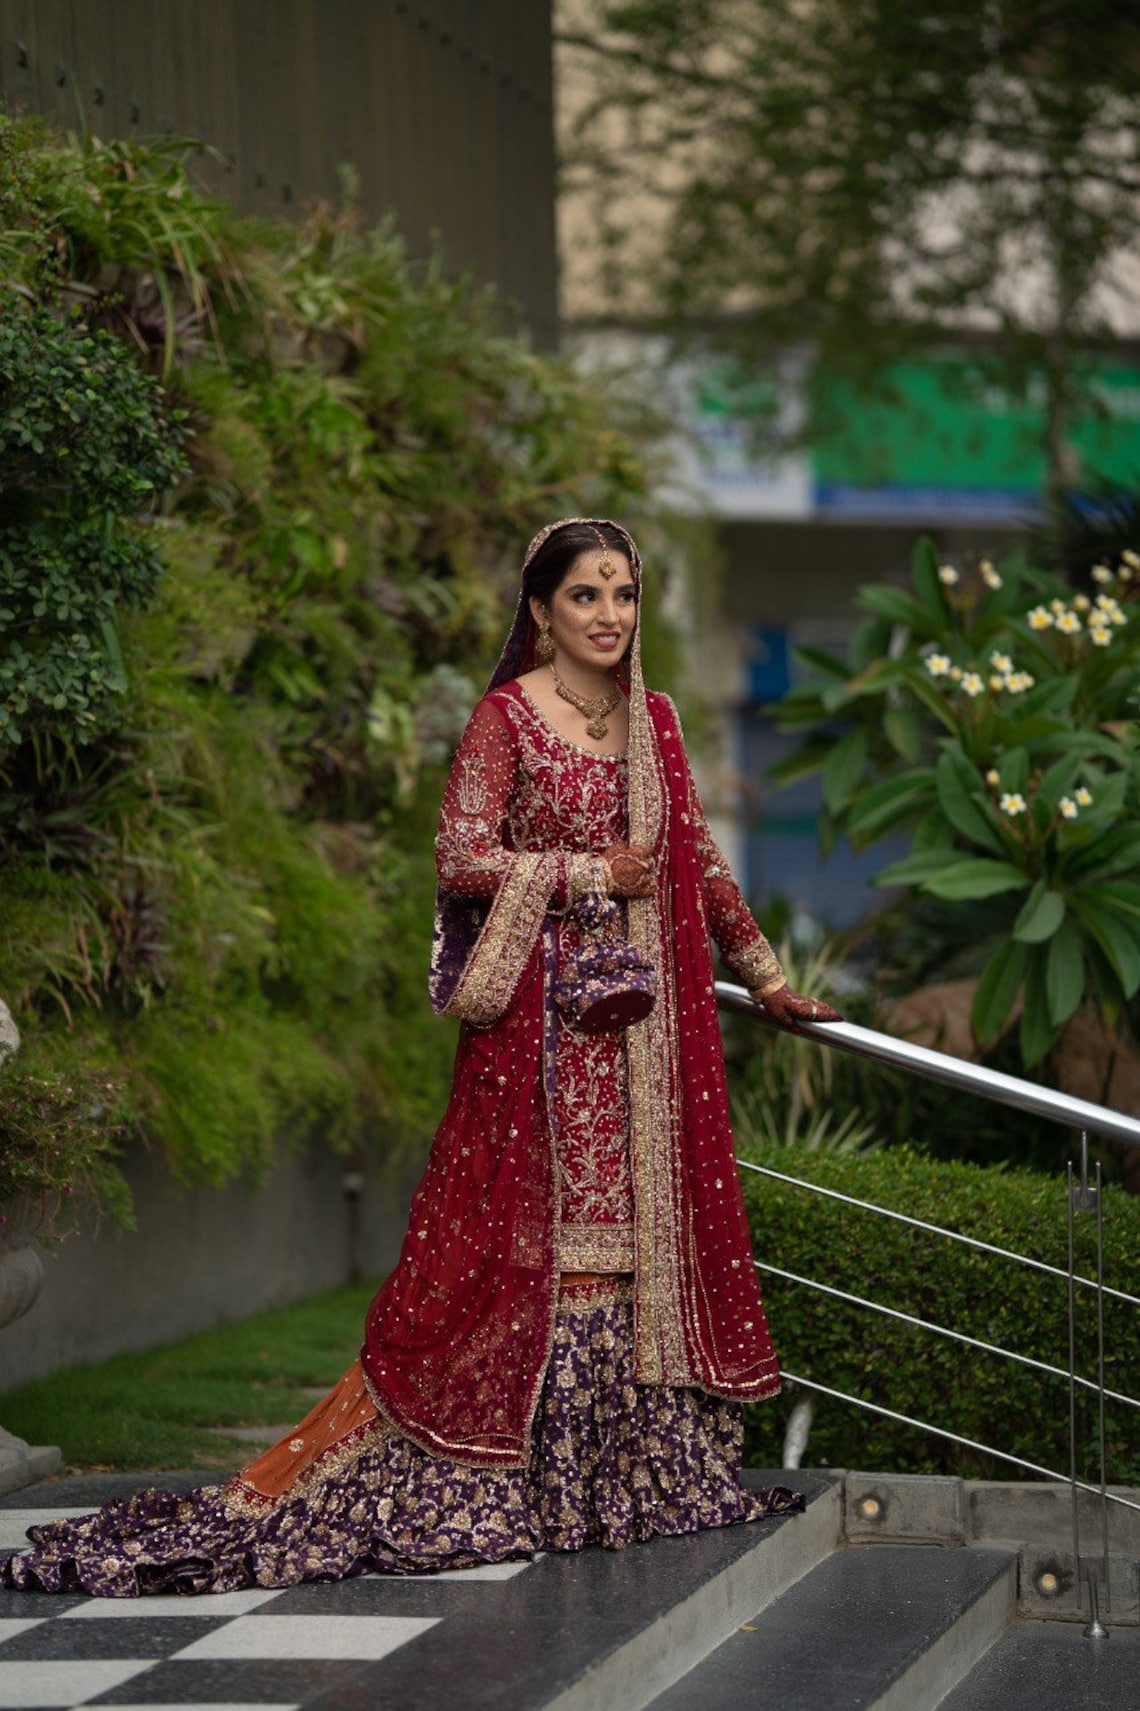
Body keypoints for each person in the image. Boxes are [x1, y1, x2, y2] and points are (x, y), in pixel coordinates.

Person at [2, 518, 840, 1597]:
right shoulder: (505, 718)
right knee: (513, 1244)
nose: (610, 616)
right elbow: (461, 853)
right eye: (586, 596)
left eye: (625, 595)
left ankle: (603, 1483)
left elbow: (697, 860)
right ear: (540, 610)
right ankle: (482, 1477)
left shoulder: (657, 722)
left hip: (636, 1047)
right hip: (536, 1032)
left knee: (626, 1254)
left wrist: (765, 976)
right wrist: (592, 875)